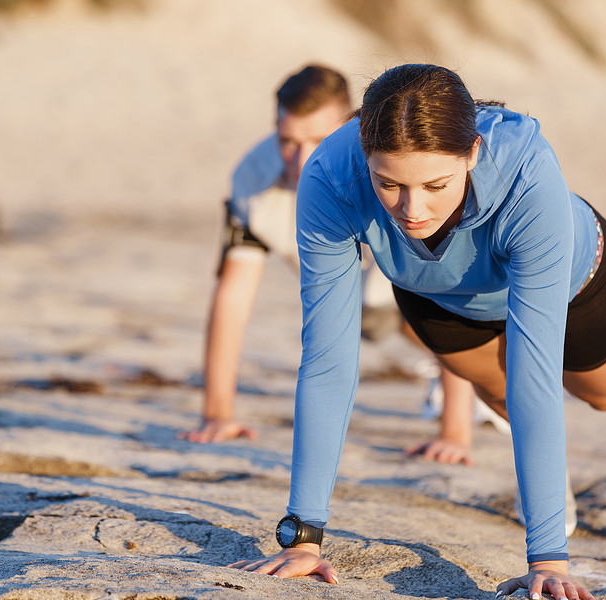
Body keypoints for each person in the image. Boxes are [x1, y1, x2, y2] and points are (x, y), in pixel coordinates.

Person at [230, 64, 606, 600]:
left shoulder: (526, 172)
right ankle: (546, 483)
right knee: (494, 388)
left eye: (435, 184)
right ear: (364, 157)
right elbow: (328, 359)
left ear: (470, 153)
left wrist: (548, 560)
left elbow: (534, 372)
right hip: (437, 292)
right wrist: (304, 537)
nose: (412, 209)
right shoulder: (331, 177)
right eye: (389, 184)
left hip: (575, 279)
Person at [180, 63, 481, 445]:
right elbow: (232, 296)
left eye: (319, 140)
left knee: (416, 316)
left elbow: (444, 297)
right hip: (353, 298)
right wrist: (217, 415)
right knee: (361, 320)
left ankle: (471, 391)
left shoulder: (388, 173)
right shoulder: (252, 179)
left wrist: (454, 435)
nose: (302, 161)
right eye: (288, 140)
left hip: (428, 292)